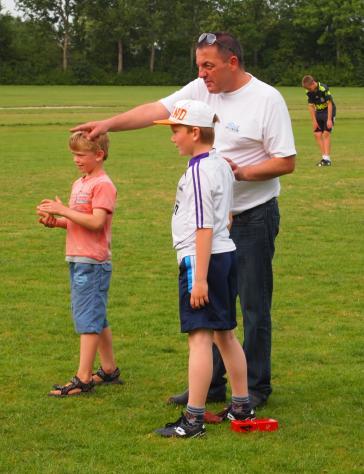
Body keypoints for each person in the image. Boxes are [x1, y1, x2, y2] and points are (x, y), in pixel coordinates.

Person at [72, 31, 296, 409]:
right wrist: (108, 124)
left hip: (252, 217)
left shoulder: (266, 99)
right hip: (213, 221)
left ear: (232, 63)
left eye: (209, 65)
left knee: (253, 306)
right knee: (211, 307)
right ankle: (210, 386)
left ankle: (255, 389)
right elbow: (155, 111)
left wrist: (237, 174)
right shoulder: (199, 89)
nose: (202, 73)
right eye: (199, 66)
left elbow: (285, 161)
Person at [153, 99, 255, 438]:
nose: (172, 138)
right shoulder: (220, 164)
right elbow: (224, 214)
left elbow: (203, 227)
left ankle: (193, 420)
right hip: (224, 255)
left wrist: (198, 279)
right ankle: (242, 406)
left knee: (199, 339)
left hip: (204, 259)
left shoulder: (199, 171)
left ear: (195, 132)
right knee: (225, 334)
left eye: (176, 131)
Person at [37, 131, 123, 397]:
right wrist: (58, 222)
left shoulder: (103, 185)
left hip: (92, 262)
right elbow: (80, 220)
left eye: (81, 155)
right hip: (77, 258)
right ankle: (108, 369)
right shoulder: (80, 183)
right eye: (73, 154)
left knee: (87, 319)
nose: (76, 159)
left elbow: (97, 223)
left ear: (99, 155)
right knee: (96, 314)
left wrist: (63, 211)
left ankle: (83, 378)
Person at [302, 75, 336, 167]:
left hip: (328, 111)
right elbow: (311, 106)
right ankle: (324, 157)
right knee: (317, 134)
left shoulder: (323, 88)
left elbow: (329, 104)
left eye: (309, 88)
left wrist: (329, 119)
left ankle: (327, 159)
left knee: (326, 134)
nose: (309, 90)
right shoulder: (309, 92)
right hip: (319, 112)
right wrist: (314, 121)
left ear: (313, 83)